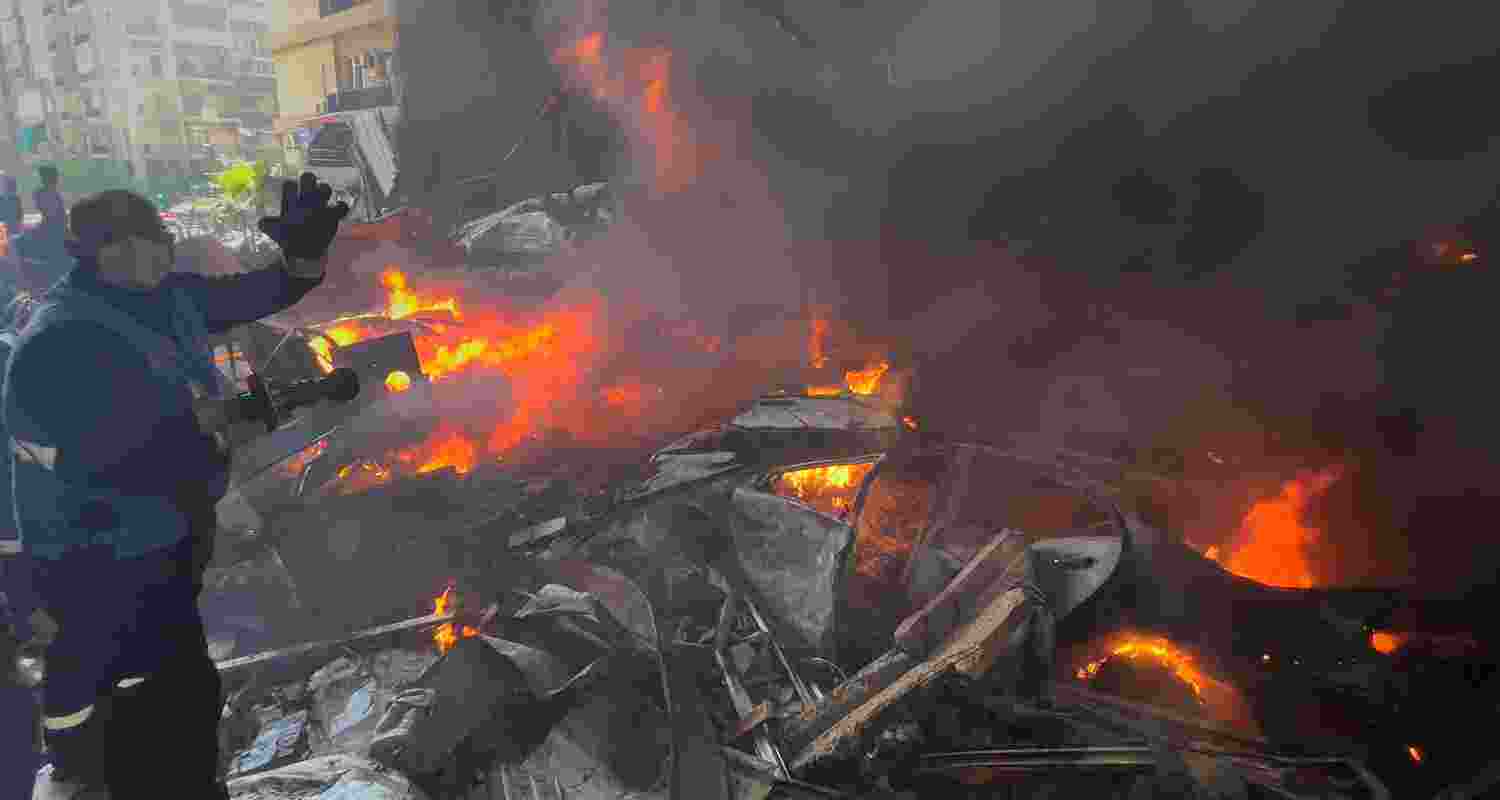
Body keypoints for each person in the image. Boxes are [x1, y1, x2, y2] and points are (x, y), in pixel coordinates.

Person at [5, 173, 348, 798]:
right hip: (97, 559)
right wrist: (208, 433)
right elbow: (95, 458)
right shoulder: (58, 340)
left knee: (183, 691)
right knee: (152, 706)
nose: (163, 252)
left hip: (163, 543)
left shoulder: (164, 298)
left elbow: (260, 292)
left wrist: (302, 257)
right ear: (102, 252)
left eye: (161, 239)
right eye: (146, 241)